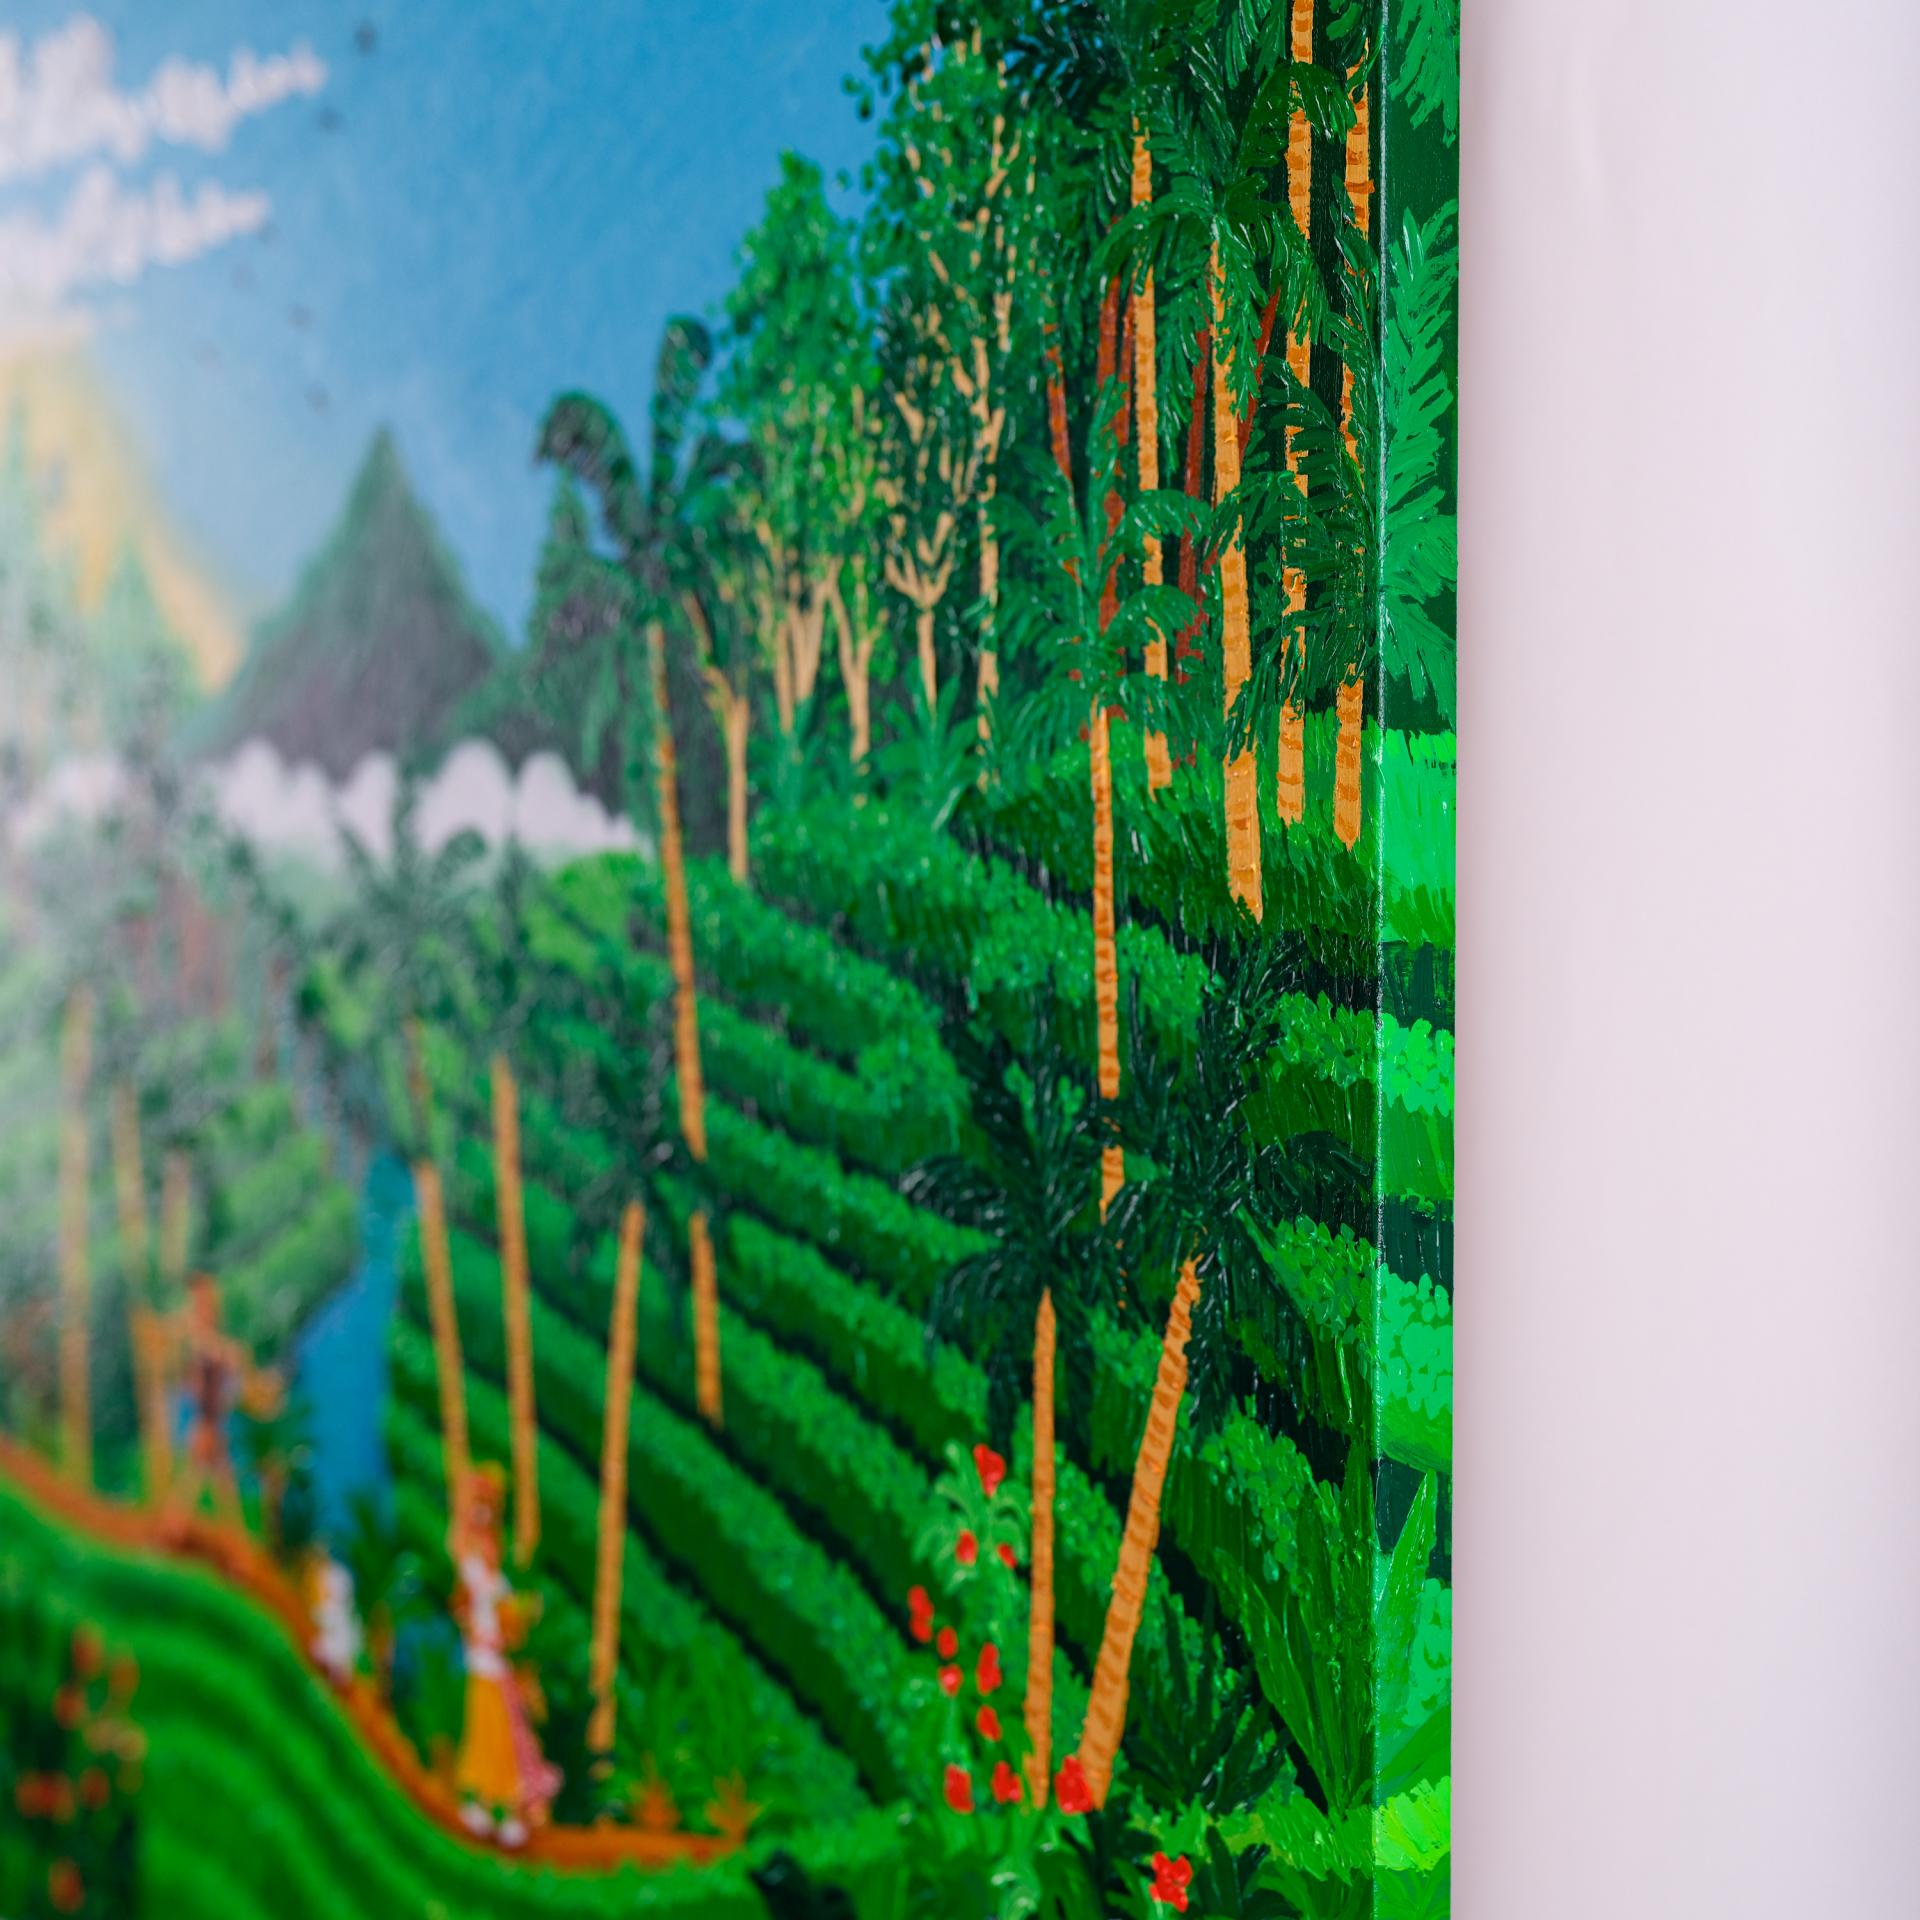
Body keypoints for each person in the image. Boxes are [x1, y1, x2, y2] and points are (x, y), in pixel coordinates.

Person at [451, 1462, 559, 1847]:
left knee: (507, 1735)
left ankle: (510, 1808)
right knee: (484, 1732)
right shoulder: (472, 1569)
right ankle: (483, 1802)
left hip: (497, 1665)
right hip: (482, 1662)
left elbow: (508, 1617)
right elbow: (464, 1605)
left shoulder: (497, 1577)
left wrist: (517, 1619)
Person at [165, 1272, 282, 1527]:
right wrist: (226, 1354)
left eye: (211, 1300)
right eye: (203, 1300)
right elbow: (204, 1354)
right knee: (199, 1484)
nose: (210, 1306)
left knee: (218, 1484)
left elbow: (228, 1368)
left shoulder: (212, 1339)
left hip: (213, 1423)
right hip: (205, 1423)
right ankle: (171, 1530)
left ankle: (222, 1533)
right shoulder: (193, 1335)